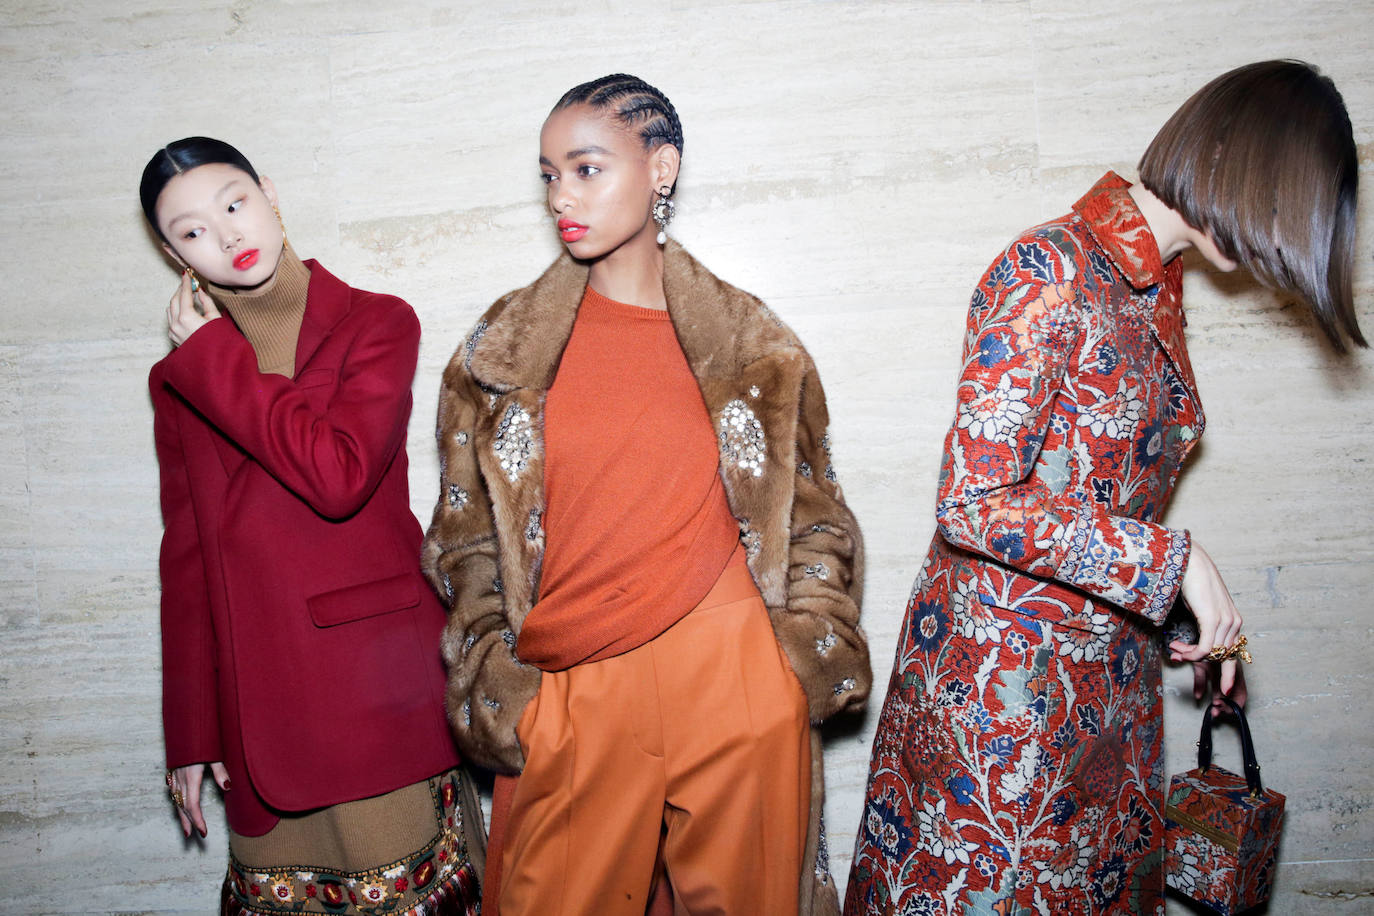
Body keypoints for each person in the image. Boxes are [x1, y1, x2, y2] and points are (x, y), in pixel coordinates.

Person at [845, 60, 1360, 915]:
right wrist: (1175, 559)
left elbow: (1091, 499)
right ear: (1221, 145)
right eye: (1274, 205)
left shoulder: (1159, 287)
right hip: (999, 721)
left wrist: (1180, 609)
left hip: (1103, 703)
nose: (1272, 239)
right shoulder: (1050, 264)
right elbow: (973, 501)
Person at [422, 74, 870, 916]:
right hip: (573, 685)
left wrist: (795, 661)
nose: (564, 195)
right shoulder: (497, 356)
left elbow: (817, 522)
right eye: (550, 174)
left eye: (587, 168)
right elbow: (466, 540)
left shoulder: (756, 348)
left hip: (734, 670)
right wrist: (501, 681)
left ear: (660, 167)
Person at [143, 137, 480, 915]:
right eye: (193, 230)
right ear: (173, 255)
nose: (226, 235)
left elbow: (338, 477)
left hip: (373, 697)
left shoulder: (377, 323)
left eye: (234, 203)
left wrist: (217, 361)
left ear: (269, 194)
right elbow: (187, 557)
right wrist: (191, 729)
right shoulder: (180, 378)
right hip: (256, 714)